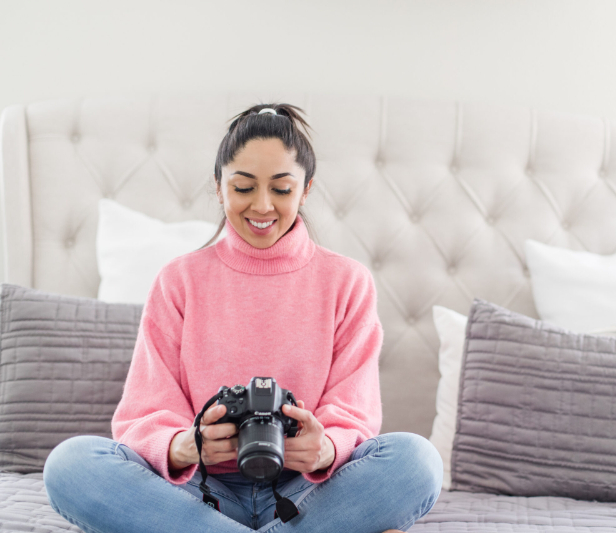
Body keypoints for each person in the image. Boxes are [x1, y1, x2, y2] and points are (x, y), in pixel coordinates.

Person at [43, 103, 443, 533]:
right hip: (198, 494)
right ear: (219, 188)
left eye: (282, 189)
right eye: (244, 187)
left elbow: (354, 411)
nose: (263, 206)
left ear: (305, 189)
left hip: (305, 493)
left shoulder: (347, 282)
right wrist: (187, 446)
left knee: (417, 461)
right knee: (70, 464)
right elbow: (146, 408)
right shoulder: (179, 280)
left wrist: (323, 448)